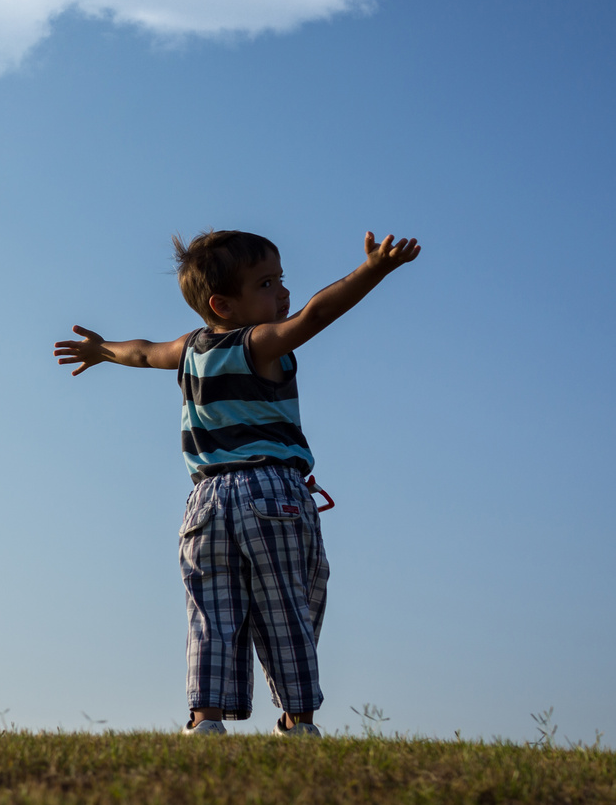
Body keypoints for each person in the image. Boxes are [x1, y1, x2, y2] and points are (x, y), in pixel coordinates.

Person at [54, 229, 421, 737]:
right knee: (287, 605)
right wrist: (372, 271)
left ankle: (206, 720)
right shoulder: (260, 343)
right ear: (222, 304)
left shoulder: (188, 349)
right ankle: (298, 721)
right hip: (272, 492)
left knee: (212, 612)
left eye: (281, 280)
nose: (283, 294)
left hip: (204, 501)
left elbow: (140, 352)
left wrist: (102, 351)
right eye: (267, 283)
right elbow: (315, 316)